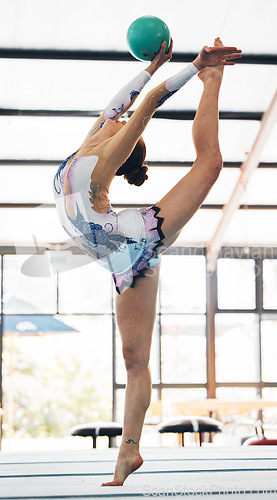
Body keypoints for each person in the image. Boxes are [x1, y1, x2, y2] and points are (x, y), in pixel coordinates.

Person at [53, 37, 241, 485]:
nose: (122, 120)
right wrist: (152, 66)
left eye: (129, 126)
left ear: (127, 143)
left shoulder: (100, 161)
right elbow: (126, 102)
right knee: (134, 357)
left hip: (131, 238)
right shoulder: (93, 140)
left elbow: (149, 104)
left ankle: (216, 79)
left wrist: (198, 67)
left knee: (210, 164)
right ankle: (129, 455)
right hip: (115, 252)